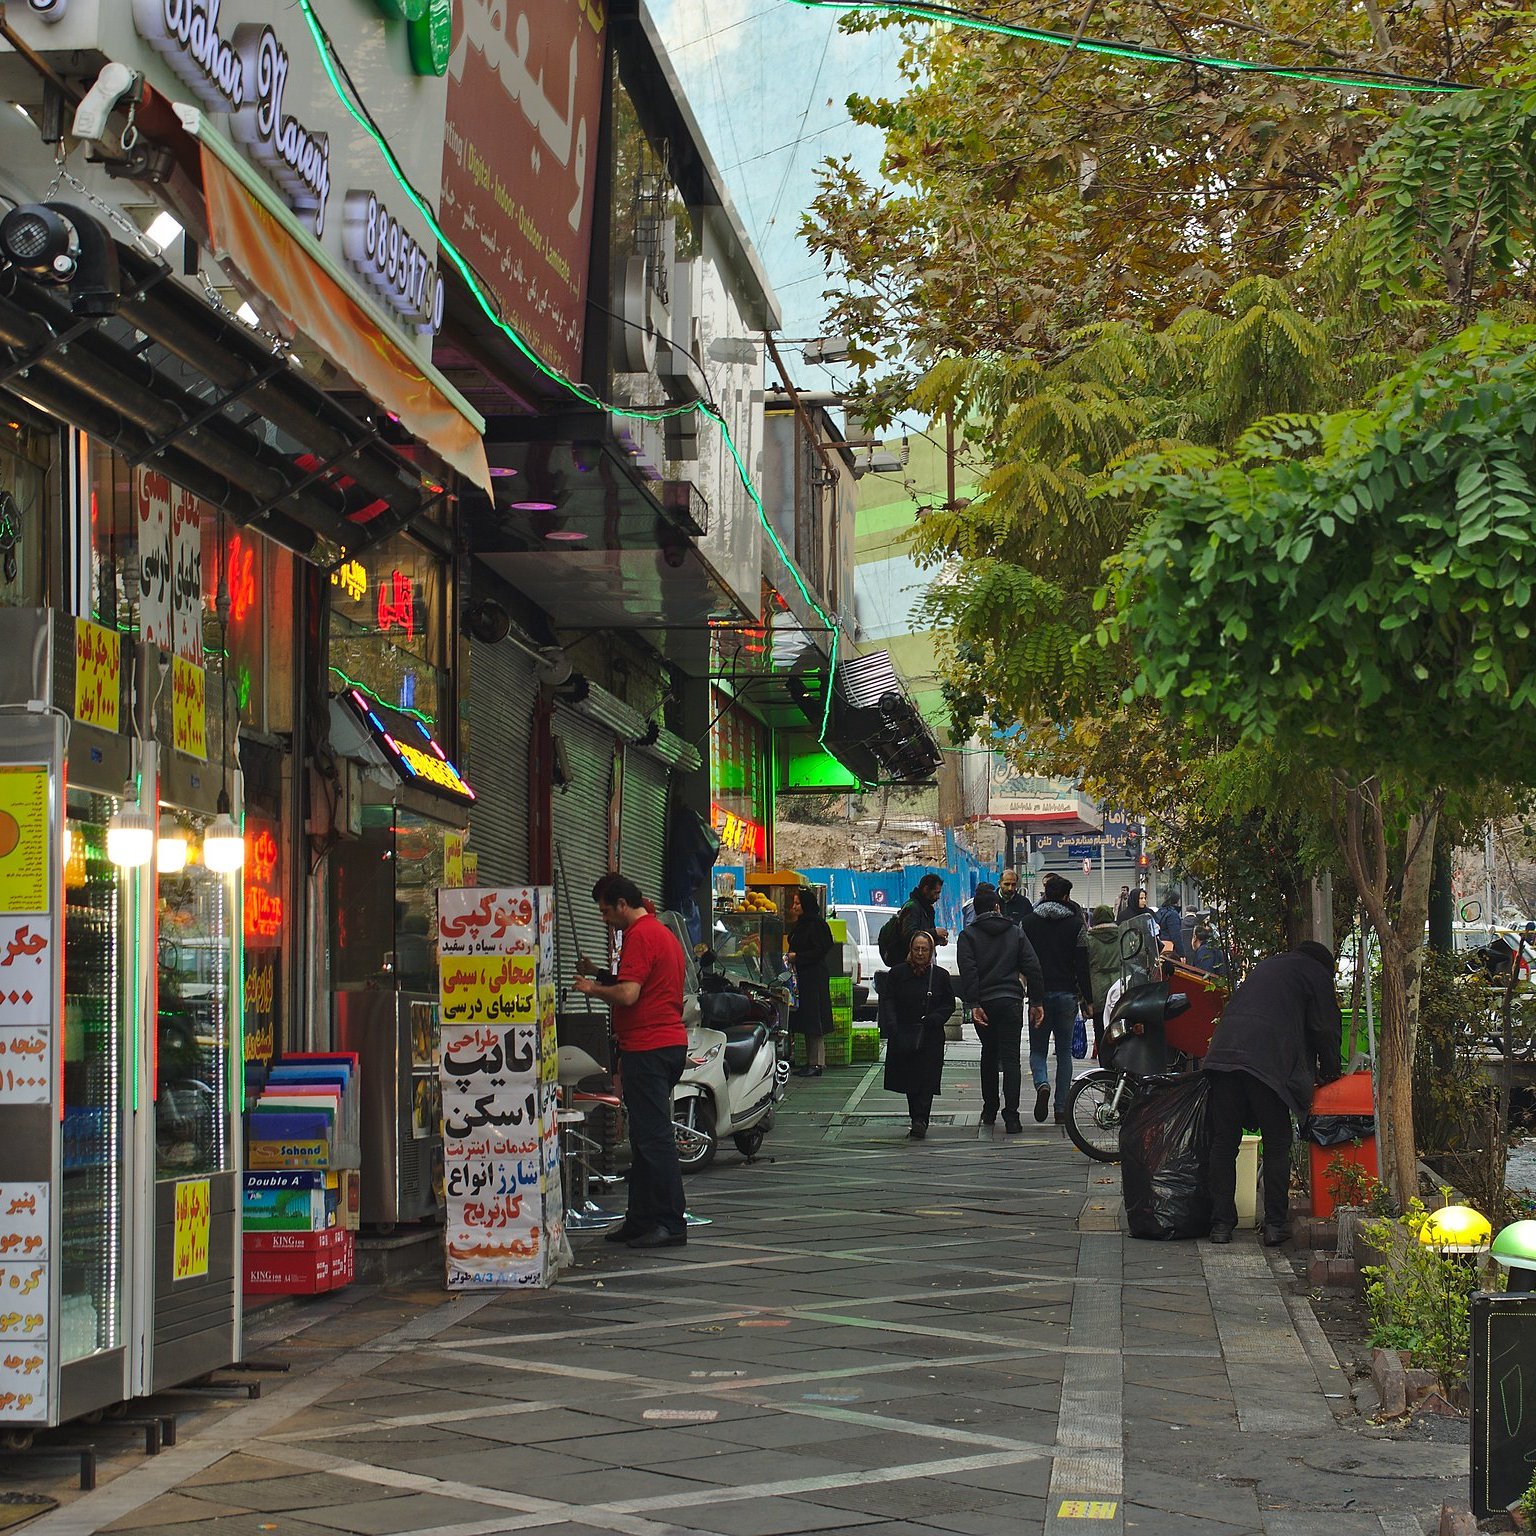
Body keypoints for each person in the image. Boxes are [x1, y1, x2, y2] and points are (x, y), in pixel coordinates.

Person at [573, 873, 689, 1250]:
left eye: (606, 911)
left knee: (653, 1138)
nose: (605, 918)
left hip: (648, 1047)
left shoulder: (639, 936)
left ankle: (670, 1223)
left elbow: (627, 993)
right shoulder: (661, 934)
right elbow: (641, 981)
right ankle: (640, 1220)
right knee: (642, 1136)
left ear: (622, 904)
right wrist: (598, 973)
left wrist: (591, 988)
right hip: (665, 1044)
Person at [1202, 940, 1343, 1246]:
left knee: (1224, 1142)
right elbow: (1325, 1029)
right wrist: (1331, 1071)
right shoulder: (1316, 974)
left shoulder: (1269, 965)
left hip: (1223, 1056)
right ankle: (1275, 1225)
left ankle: (1221, 1225)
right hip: (1266, 1063)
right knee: (1277, 1143)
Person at [957, 884, 1044, 1131]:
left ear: (976, 909)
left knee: (988, 1054)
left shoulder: (968, 936)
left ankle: (989, 1109)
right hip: (1010, 1002)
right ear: (997, 907)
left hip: (984, 1003)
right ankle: (1012, 1116)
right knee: (1011, 1059)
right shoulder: (1015, 932)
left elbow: (968, 972)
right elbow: (1033, 966)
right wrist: (1036, 1001)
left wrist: (973, 1003)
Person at [1020, 873, 1088, 1123]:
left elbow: (1022, 958)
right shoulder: (1076, 925)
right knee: (1063, 1054)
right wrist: (1087, 999)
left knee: (1037, 1049)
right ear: (1066, 897)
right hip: (1067, 994)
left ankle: (1041, 1084)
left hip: (1038, 997)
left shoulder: (1027, 924)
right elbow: (1082, 965)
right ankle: (1061, 1109)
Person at [878, 931, 956, 1139]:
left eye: (924, 949)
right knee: (910, 1079)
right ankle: (916, 1116)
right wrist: (893, 1027)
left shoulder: (940, 976)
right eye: (916, 949)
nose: (920, 953)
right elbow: (888, 1001)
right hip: (904, 1032)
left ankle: (921, 1119)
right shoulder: (897, 973)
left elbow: (948, 1003)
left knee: (927, 1078)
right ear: (910, 951)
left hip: (930, 1034)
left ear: (931, 951)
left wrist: (936, 1018)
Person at [787, 887, 835, 1078]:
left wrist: (797, 957)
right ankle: (811, 1062)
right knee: (807, 1019)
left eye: (798, 903)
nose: (794, 907)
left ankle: (816, 1063)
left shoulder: (815, 925)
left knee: (814, 1019)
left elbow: (820, 949)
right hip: (803, 978)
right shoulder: (802, 924)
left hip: (813, 978)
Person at [1076, 904, 1124, 1056]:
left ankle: (1105, 1063)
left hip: (1096, 990)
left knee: (1100, 1030)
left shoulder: (1089, 940)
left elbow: (1081, 969)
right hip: (1120, 988)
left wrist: (1083, 999)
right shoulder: (1123, 935)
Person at [1119, 889, 1164, 981]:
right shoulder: (1124, 915)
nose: (1144, 901)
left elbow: (1155, 929)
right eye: (1141, 898)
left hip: (1149, 951)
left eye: (1145, 898)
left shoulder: (1149, 913)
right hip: (1132, 953)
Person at [899, 873, 950, 951]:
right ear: (926, 889)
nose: (938, 897)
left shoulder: (927, 909)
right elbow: (909, 935)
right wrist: (934, 932)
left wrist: (938, 939)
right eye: (936, 893)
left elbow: (926, 940)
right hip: (912, 959)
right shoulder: (912, 907)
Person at [1154, 890, 1186, 960]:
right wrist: (1181, 954)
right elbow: (1176, 935)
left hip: (1160, 947)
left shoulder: (1160, 911)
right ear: (1177, 901)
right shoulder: (1172, 914)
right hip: (1171, 949)